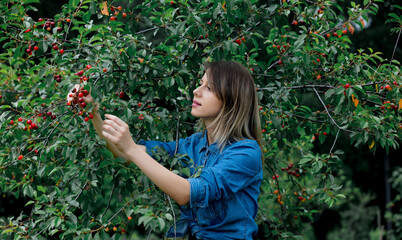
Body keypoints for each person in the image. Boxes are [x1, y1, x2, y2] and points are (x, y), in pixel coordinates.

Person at [68, 60, 264, 240]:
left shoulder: (246, 153)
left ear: (231, 99)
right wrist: (93, 114)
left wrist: (131, 149)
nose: (196, 90)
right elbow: (123, 154)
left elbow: (186, 192)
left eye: (209, 88)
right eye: (201, 83)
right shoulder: (194, 144)